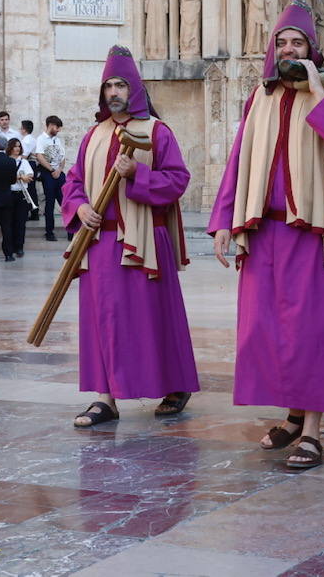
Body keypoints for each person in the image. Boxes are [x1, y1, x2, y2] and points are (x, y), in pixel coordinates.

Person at [208, 0, 324, 469]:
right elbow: (239, 162)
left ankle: (314, 431)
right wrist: (223, 220)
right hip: (267, 232)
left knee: (314, 331)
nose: (287, 49)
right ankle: (295, 414)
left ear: (312, 51)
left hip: (319, 233)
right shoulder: (259, 98)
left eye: (297, 43)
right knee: (273, 330)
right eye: (280, 42)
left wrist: (318, 92)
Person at [63, 45, 196, 427]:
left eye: (121, 84)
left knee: (153, 319)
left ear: (134, 88)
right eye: (109, 86)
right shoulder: (93, 135)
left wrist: (138, 173)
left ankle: (175, 384)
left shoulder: (156, 131)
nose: (114, 92)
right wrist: (79, 207)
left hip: (144, 242)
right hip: (99, 243)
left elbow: (177, 180)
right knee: (101, 320)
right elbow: (73, 182)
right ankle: (105, 398)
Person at [34, 116, 66, 241]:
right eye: (57, 128)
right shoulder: (41, 139)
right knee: (50, 203)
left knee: (65, 202)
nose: (58, 130)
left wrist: (59, 170)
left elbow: (62, 156)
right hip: (48, 174)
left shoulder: (57, 140)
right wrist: (52, 170)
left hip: (59, 173)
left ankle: (70, 230)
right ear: (51, 125)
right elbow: (39, 157)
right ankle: (49, 232)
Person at [6, 137, 34, 257]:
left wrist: (21, 177)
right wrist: (20, 177)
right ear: (10, 147)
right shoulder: (6, 161)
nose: (17, 148)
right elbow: (6, 177)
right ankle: (10, 247)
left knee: (21, 222)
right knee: (9, 222)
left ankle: (19, 247)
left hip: (22, 195)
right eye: (15, 146)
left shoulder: (24, 162)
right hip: (9, 194)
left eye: (19, 146)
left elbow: (30, 175)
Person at [19, 120, 41, 220]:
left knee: (29, 188)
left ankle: (33, 212)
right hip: (30, 163)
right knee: (30, 188)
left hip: (29, 164)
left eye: (21, 128)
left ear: (24, 129)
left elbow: (24, 155)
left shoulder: (27, 140)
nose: (20, 129)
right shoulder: (30, 139)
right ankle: (33, 211)